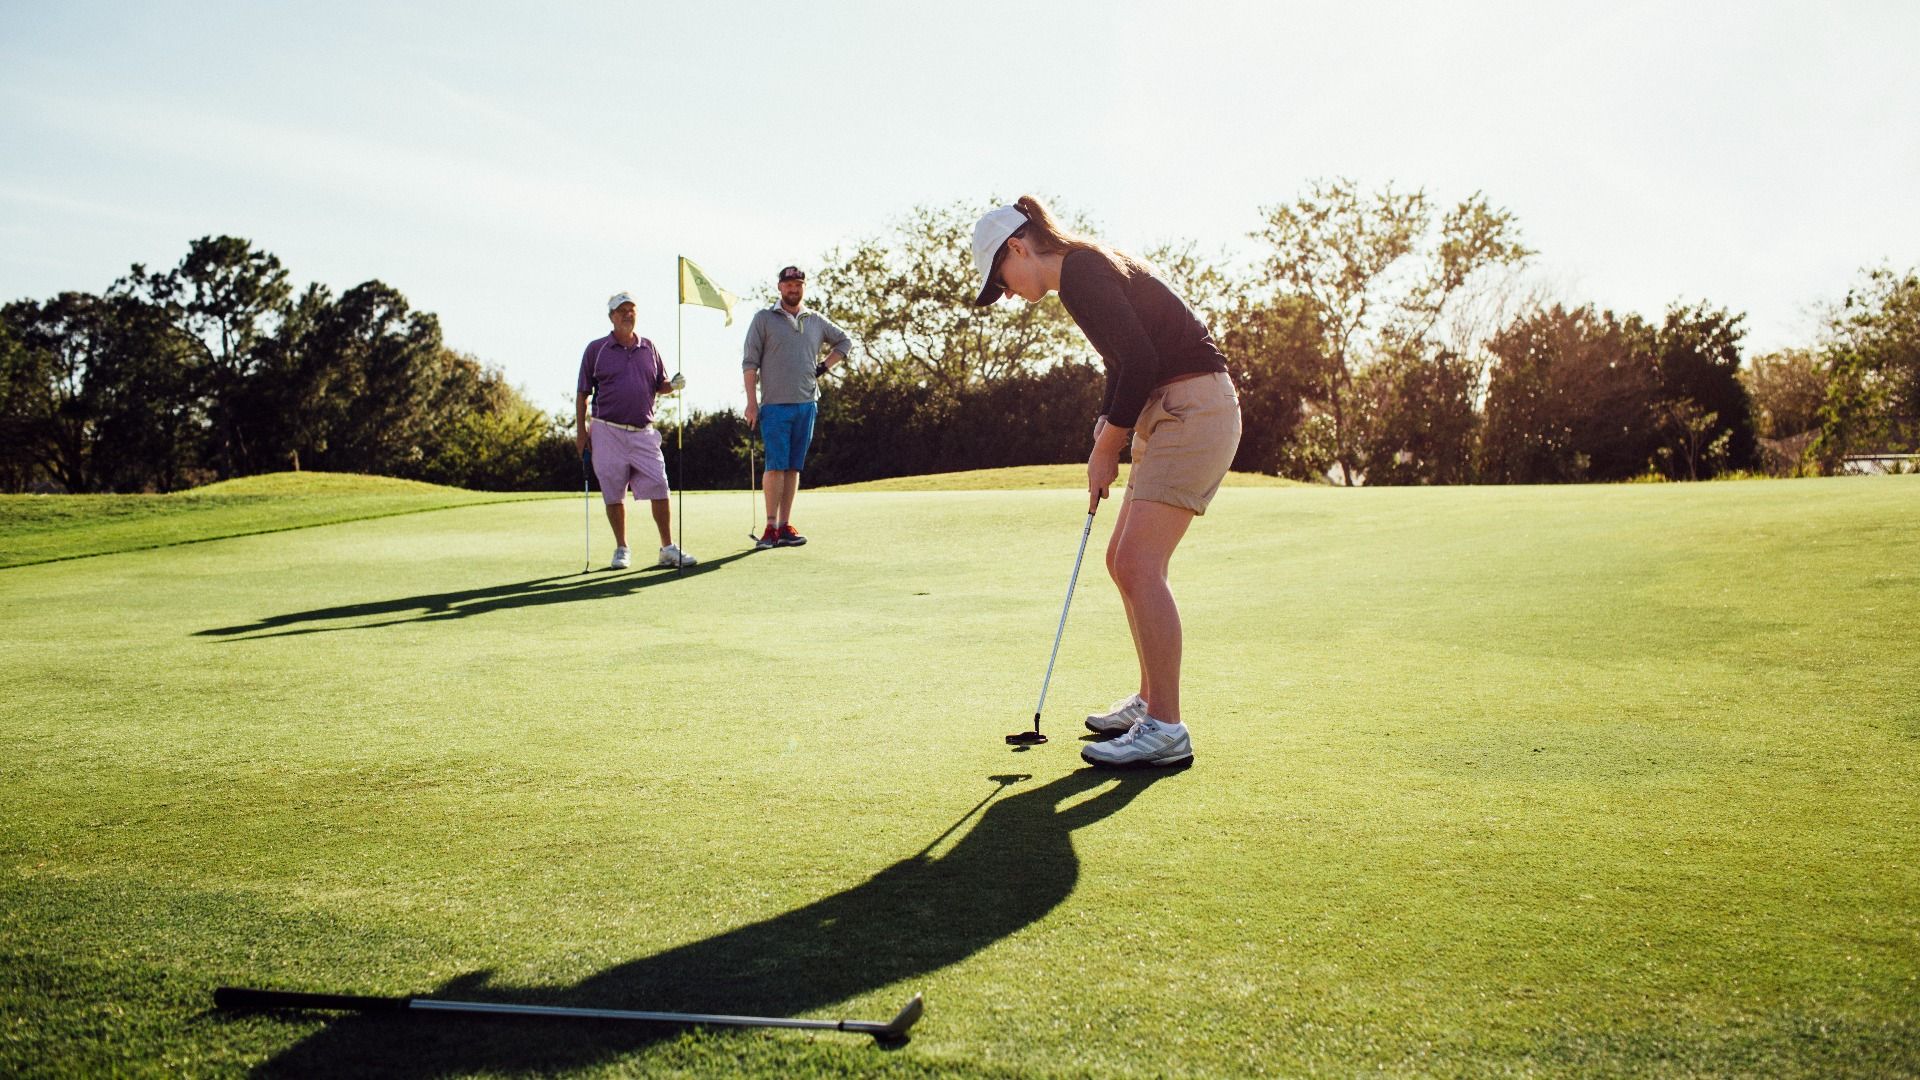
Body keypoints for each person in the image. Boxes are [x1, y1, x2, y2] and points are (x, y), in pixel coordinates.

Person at [971, 197, 1241, 768]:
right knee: (1123, 560)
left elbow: (1140, 361)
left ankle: (1167, 727)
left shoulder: (1082, 272)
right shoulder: (1084, 268)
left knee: (1140, 563)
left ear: (1018, 247)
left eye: (1003, 279)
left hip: (1191, 409)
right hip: (1169, 409)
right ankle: (1150, 701)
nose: (1011, 293)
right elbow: (1124, 364)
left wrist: (1106, 447)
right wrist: (1106, 425)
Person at [576, 291, 697, 570]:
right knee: (613, 491)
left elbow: (660, 384)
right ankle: (622, 548)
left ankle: (667, 547)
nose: (628, 314)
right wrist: (582, 433)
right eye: (622, 311)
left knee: (660, 484)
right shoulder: (596, 350)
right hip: (607, 430)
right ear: (611, 317)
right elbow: (583, 392)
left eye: (632, 310)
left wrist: (674, 385)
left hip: (643, 430)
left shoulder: (649, 348)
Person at [741, 266, 853, 549]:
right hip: (775, 405)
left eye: (798, 284)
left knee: (793, 467)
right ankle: (769, 528)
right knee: (775, 466)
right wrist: (751, 403)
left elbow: (845, 341)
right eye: (789, 284)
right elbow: (750, 363)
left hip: (806, 403)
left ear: (803, 287)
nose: (793, 289)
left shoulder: (814, 319)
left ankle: (784, 526)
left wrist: (823, 367)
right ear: (780, 287)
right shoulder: (764, 319)